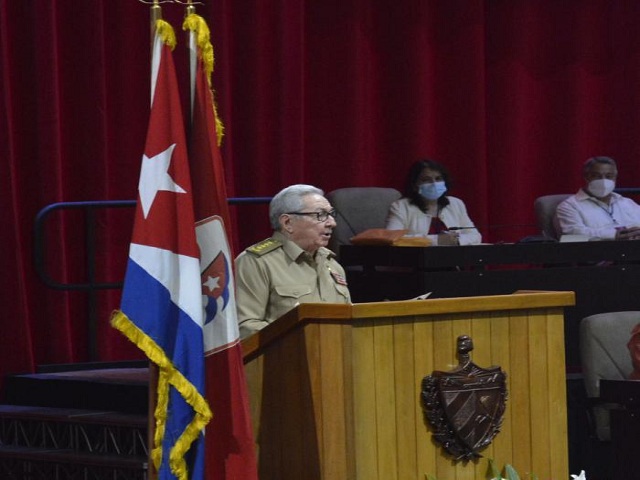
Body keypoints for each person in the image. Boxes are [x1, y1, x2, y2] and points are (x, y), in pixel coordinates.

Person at [235, 184, 351, 338]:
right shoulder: (256, 262)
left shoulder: (332, 264)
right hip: (284, 359)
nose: (332, 223)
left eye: (330, 214)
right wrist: (307, 341)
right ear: (287, 223)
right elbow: (246, 327)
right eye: (320, 215)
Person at [385, 159, 481, 245]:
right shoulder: (400, 207)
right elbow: (393, 238)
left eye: (438, 179)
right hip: (417, 262)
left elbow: (475, 236)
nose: (434, 184)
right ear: (414, 185)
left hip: (454, 262)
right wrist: (437, 240)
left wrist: (457, 240)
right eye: (426, 180)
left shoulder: (456, 203)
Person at [554, 156, 640, 240]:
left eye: (609, 176)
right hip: (594, 252)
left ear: (615, 178)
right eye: (597, 176)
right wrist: (614, 234)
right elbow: (573, 234)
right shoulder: (569, 206)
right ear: (586, 177)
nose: (604, 180)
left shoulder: (627, 203)